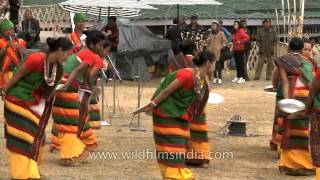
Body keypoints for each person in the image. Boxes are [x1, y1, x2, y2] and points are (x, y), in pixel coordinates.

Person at [134, 50, 216, 179]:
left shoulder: (201, 80)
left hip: (179, 115)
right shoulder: (187, 74)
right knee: (172, 152)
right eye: (215, 63)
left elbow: (198, 102)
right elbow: (167, 91)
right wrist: (152, 105)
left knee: (177, 152)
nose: (215, 66)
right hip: (165, 114)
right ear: (208, 63)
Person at [1, 37, 72, 179]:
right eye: (67, 53)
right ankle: (22, 174)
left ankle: (32, 170)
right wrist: (5, 90)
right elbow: (17, 75)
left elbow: (50, 92)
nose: (68, 56)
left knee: (38, 137)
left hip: (34, 103)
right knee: (23, 138)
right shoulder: (36, 59)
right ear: (59, 50)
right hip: (18, 99)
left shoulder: (59, 68)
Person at [51, 30, 107, 166]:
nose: (103, 49)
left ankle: (72, 151)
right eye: (101, 46)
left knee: (68, 119)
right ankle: (68, 156)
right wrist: (69, 85)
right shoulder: (93, 56)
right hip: (66, 83)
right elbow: (80, 71)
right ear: (93, 45)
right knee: (70, 121)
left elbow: (84, 72)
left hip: (63, 81)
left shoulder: (85, 51)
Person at [276, 37, 315, 176]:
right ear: (301, 48)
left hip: (295, 95)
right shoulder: (308, 61)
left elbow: (285, 82)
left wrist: (287, 102)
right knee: (305, 129)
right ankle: (307, 162)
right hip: (309, 95)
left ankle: (291, 163)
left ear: (289, 47)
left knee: (291, 129)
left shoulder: (283, 60)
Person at [0, 19, 26, 87]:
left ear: (14, 31)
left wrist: (19, 49)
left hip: (18, 71)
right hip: (4, 71)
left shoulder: (20, 41)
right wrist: (6, 47)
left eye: (10, 29)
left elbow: (26, 56)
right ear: (2, 32)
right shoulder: (0, 42)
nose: (9, 32)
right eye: (6, 30)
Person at [207, 20, 227, 85]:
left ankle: (220, 78)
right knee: (213, 65)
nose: (213, 26)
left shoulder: (221, 33)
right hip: (211, 51)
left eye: (215, 25)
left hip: (219, 51)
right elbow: (208, 42)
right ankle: (215, 77)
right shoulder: (210, 34)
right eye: (212, 25)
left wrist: (223, 45)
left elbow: (224, 41)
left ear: (217, 26)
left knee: (218, 65)